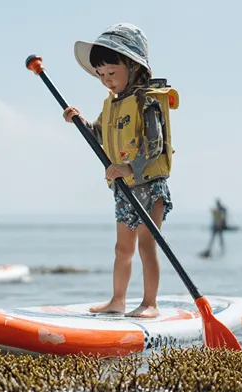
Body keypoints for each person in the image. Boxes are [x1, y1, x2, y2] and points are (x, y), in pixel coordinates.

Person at [63, 23, 178, 318]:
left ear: (133, 66)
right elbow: (98, 136)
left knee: (147, 245)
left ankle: (150, 304)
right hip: (124, 189)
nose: (106, 81)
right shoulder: (112, 106)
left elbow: (155, 144)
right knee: (122, 249)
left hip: (149, 185)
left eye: (111, 74)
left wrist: (128, 166)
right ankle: (117, 301)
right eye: (101, 75)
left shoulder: (147, 101)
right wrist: (78, 121)